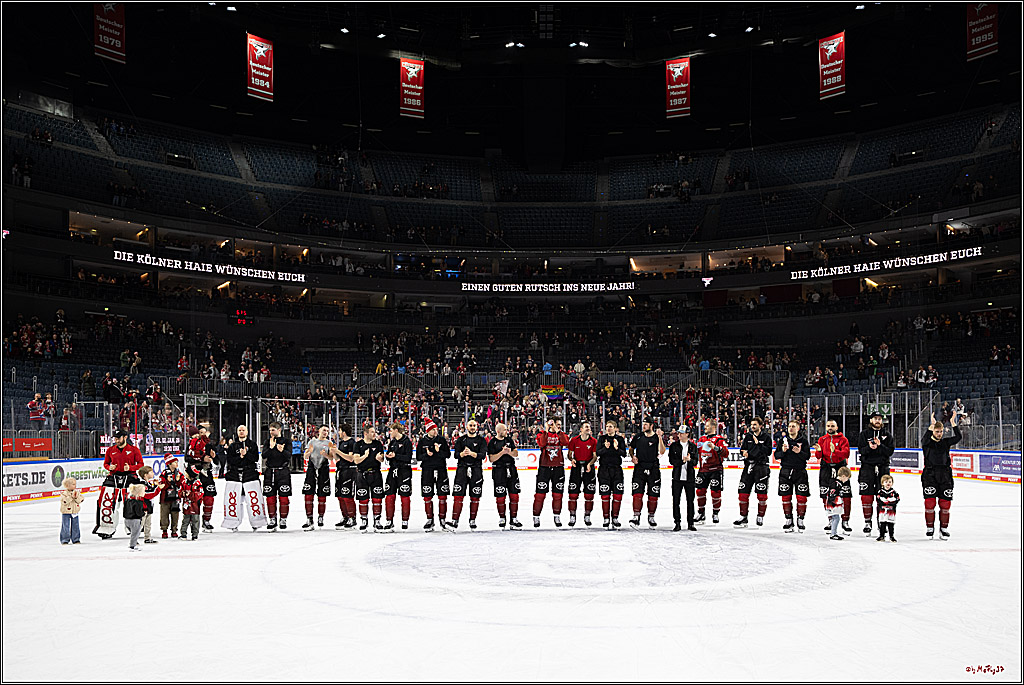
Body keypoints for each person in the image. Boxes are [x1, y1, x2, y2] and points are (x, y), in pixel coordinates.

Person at [94, 429, 143, 539]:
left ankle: (132, 527)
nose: (116, 440)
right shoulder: (110, 450)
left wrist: (130, 468)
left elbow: (140, 464)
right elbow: (106, 463)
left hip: (130, 476)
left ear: (125, 437)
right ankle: (106, 527)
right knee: (106, 501)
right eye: (115, 438)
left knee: (132, 502)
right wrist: (109, 467)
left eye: (118, 438)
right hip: (113, 476)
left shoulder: (134, 450)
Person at [921, 413, 963, 540]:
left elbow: (958, 437)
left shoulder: (945, 442)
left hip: (945, 475)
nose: (939, 433)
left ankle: (944, 528)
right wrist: (931, 425)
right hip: (930, 475)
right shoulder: (927, 443)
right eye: (937, 431)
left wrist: (953, 422)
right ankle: (930, 528)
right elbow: (924, 439)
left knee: (945, 504)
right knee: (930, 503)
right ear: (933, 431)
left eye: (941, 431)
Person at [222, 425, 268, 532]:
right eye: (239, 430)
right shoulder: (233, 446)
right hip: (235, 475)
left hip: (250, 474)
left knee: (253, 499)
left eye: (243, 430)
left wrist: (246, 455)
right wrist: (240, 457)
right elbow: (230, 460)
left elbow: (255, 458)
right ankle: (232, 522)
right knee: (234, 500)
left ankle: (257, 522)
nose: (241, 432)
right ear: (237, 432)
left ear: (247, 432)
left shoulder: (252, 445)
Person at [857, 411, 895, 537]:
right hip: (867, 468)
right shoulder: (864, 434)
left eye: (879, 419)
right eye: (875, 419)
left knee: (882, 497)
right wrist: (869, 448)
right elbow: (861, 450)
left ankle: (881, 522)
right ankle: (868, 522)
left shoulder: (887, 435)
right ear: (871, 420)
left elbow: (890, 452)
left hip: (883, 469)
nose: (878, 421)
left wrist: (880, 446)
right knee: (866, 496)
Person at [815, 419, 852, 534]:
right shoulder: (822, 439)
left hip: (840, 468)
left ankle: (845, 521)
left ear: (837, 428)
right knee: (826, 494)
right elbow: (818, 456)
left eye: (832, 426)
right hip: (826, 468)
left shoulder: (843, 439)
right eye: (828, 426)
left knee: (845, 494)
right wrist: (819, 451)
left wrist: (835, 451)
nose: (830, 428)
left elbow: (846, 454)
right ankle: (830, 519)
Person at [449, 419, 487, 530]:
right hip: (462, 469)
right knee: (458, 495)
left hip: (476, 470)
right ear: (466, 427)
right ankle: (454, 520)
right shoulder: (461, 440)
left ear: (477, 427)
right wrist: (462, 453)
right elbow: (455, 455)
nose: (472, 427)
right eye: (470, 425)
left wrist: (472, 454)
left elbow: (483, 455)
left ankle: (472, 520)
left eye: (474, 425)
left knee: (475, 496)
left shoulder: (481, 440)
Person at [735, 416, 772, 528]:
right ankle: (743, 516)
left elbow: (769, 452)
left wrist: (758, 444)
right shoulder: (748, 437)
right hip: (748, 467)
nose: (753, 426)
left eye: (755, 424)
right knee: (742, 492)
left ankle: (760, 516)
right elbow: (742, 449)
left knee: (761, 494)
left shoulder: (766, 438)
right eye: (752, 425)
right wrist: (744, 453)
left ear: (760, 426)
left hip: (761, 467)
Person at [775, 420, 811, 533]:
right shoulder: (782, 441)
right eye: (790, 426)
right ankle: (788, 519)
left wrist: (799, 452)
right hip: (785, 471)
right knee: (786, 497)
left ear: (798, 428)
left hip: (800, 472)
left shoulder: (803, 441)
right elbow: (776, 455)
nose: (791, 428)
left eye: (793, 426)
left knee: (801, 497)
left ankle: (800, 519)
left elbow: (807, 456)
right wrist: (783, 451)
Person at [629, 418, 665, 529]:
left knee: (653, 494)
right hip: (639, 468)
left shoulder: (656, 437)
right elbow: (631, 448)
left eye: (646, 424)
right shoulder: (638, 437)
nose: (644, 426)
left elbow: (662, 451)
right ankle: (636, 517)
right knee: (637, 493)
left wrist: (660, 437)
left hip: (653, 468)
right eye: (643, 424)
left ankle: (651, 517)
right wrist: (632, 456)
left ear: (651, 426)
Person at [301, 426, 338, 530]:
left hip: (323, 469)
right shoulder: (312, 442)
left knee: (322, 494)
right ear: (319, 431)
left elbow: (331, 458)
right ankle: (309, 518)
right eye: (324, 430)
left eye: (327, 431)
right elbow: (305, 456)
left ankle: (321, 517)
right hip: (312, 468)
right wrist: (309, 451)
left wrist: (325, 455)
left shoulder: (329, 443)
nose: (325, 432)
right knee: (308, 493)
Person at [533, 418, 569, 527]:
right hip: (544, 467)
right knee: (540, 494)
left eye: (558, 424)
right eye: (554, 424)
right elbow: (542, 444)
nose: (556, 426)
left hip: (558, 467)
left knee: (558, 494)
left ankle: (557, 516)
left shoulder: (561, 434)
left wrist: (558, 432)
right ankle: (536, 516)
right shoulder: (541, 435)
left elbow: (566, 442)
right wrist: (547, 430)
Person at [416, 418, 450, 531]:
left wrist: (438, 451)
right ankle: (430, 519)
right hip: (427, 471)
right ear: (428, 430)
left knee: (442, 495)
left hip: (441, 470)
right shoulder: (422, 442)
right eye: (433, 429)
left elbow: (448, 455)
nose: (435, 431)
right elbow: (418, 457)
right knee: (427, 495)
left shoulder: (442, 440)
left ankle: (442, 519)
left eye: (436, 429)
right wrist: (427, 455)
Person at [487, 421, 522, 529]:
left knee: (514, 495)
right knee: (500, 496)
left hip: (511, 469)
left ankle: (514, 518)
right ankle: (502, 517)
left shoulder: (509, 440)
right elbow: (491, 459)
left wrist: (509, 452)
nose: (507, 431)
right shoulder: (492, 443)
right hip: (498, 470)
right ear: (498, 431)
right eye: (505, 430)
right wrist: (502, 453)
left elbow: (516, 453)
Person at [352, 425, 386, 531]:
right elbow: (356, 460)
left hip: (376, 473)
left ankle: (377, 520)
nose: (374, 434)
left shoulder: (378, 444)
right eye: (372, 432)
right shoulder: (358, 445)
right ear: (365, 433)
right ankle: (364, 520)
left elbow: (382, 458)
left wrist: (380, 458)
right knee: (363, 498)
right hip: (362, 474)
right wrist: (365, 456)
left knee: (377, 498)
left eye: (374, 432)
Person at [695, 418, 729, 524]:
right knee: (700, 491)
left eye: (708, 426)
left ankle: (715, 513)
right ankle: (701, 513)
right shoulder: (701, 439)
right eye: (705, 426)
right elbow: (696, 451)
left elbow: (726, 453)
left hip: (716, 470)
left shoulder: (720, 440)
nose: (705, 427)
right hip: (703, 469)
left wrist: (716, 448)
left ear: (714, 427)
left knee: (715, 492)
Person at [186, 426, 219, 532]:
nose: (203, 435)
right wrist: (201, 458)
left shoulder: (209, 446)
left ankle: (206, 521)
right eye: (201, 432)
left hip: (207, 475)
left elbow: (218, 462)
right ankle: (193, 522)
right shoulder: (191, 445)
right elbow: (187, 458)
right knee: (195, 499)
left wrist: (214, 457)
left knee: (209, 498)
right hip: (194, 474)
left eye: (205, 433)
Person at [262, 421, 293, 531]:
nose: (271, 432)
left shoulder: (287, 441)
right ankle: (272, 519)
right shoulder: (267, 441)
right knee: (270, 498)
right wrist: (270, 448)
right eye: (270, 430)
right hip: (270, 472)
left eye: (273, 430)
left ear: (279, 430)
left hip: (283, 471)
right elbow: (264, 455)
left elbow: (289, 456)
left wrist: (282, 450)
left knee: (284, 498)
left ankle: (283, 519)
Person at [596, 420, 627, 529]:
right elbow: (597, 453)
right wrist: (606, 448)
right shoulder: (601, 438)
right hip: (604, 470)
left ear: (615, 428)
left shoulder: (620, 439)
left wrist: (616, 448)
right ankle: (606, 518)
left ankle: (615, 517)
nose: (608, 428)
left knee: (618, 494)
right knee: (605, 495)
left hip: (617, 470)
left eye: (610, 426)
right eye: (607, 426)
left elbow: (624, 454)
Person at [566, 421, 598, 526]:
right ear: (581, 429)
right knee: (573, 493)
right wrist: (572, 460)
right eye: (586, 427)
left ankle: (587, 515)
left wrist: (590, 464)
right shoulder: (574, 440)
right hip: (576, 468)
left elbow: (595, 456)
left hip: (589, 467)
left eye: (589, 427)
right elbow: (569, 454)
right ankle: (572, 515)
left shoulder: (593, 441)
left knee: (589, 494)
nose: (589, 428)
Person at [383, 422, 414, 531]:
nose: (390, 432)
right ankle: (389, 520)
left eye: (391, 430)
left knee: (405, 496)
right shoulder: (392, 442)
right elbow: (389, 455)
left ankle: (405, 520)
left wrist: (396, 456)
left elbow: (408, 458)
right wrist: (388, 457)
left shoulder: (407, 442)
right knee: (389, 496)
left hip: (404, 470)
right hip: (392, 470)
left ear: (396, 430)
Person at [668, 426, 698, 531]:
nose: (679, 435)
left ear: (687, 434)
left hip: (689, 478)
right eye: (679, 433)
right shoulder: (673, 446)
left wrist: (689, 460)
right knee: (676, 501)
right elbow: (671, 461)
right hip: (677, 477)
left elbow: (696, 462)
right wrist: (682, 461)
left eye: (682, 433)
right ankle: (677, 522)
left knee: (690, 501)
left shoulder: (693, 447)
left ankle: (691, 523)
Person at [332, 423, 358, 529]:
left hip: (349, 471)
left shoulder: (352, 442)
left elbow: (351, 458)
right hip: (340, 470)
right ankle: (345, 516)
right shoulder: (342, 443)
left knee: (347, 495)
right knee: (340, 496)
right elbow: (338, 459)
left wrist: (338, 451)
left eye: (339, 431)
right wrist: (333, 451)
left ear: (343, 431)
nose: (338, 433)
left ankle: (352, 517)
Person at [158, 456, 185, 538]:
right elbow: (161, 485)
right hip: (165, 498)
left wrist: (177, 481)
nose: (177, 464)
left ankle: (174, 530)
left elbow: (182, 485)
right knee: (164, 515)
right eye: (174, 462)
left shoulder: (179, 474)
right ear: (169, 464)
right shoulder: (163, 474)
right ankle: (164, 530)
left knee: (175, 514)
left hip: (175, 498)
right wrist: (168, 482)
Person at [824, 466, 853, 541]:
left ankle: (833, 533)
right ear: (843, 476)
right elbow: (832, 494)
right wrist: (835, 502)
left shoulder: (837, 483)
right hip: (833, 505)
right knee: (836, 518)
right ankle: (833, 534)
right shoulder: (836, 484)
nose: (847, 480)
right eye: (847, 478)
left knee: (835, 518)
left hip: (834, 504)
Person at [137, 465, 164, 545]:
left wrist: (156, 485)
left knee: (148, 524)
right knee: (140, 525)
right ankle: (134, 538)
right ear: (145, 475)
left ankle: (147, 537)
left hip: (148, 507)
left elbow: (151, 490)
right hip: (143, 507)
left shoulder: (147, 483)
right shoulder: (142, 485)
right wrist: (158, 488)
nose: (153, 473)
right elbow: (149, 494)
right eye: (151, 472)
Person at [180, 469, 205, 540]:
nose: (185, 474)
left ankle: (195, 535)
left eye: (186, 473)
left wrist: (191, 494)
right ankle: (183, 534)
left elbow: (200, 494)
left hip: (195, 506)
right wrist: (183, 494)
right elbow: (180, 491)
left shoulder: (197, 483)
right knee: (185, 520)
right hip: (186, 506)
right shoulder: (184, 482)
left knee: (195, 520)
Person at [59, 477, 85, 545]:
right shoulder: (64, 494)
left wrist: (76, 497)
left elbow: (81, 500)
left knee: (76, 526)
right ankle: (64, 539)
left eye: (75, 484)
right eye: (73, 484)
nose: (75, 485)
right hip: (66, 512)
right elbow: (64, 501)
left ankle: (76, 539)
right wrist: (71, 497)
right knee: (65, 526)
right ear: (67, 486)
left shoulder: (77, 493)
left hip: (75, 512)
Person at [875, 474, 900, 543]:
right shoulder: (880, 492)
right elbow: (878, 500)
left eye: (889, 482)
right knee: (882, 524)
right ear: (882, 483)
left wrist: (892, 501)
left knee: (890, 524)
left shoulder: (894, 492)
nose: (888, 484)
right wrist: (882, 501)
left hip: (891, 511)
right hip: (882, 511)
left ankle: (891, 536)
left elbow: (897, 499)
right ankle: (881, 535)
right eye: (886, 482)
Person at [124, 484, 146, 551]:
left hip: (127, 519)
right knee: (135, 534)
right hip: (135, 520)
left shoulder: (127, 500)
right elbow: (138, 512)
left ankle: (133, 544)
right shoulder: (138, 502)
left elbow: (124, 510)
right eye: (144, 491)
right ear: (139, 493)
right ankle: (132, 546)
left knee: (134, 533)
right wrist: (143, 513)